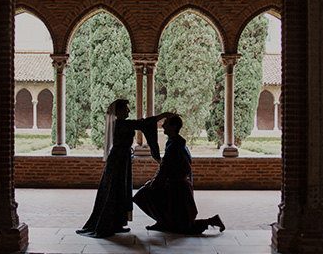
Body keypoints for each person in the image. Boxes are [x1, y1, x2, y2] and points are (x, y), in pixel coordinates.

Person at [77, 99, 170, 238]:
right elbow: (143, 123)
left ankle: (116, 223)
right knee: (115, 189)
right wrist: (164, 115)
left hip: (122, 158)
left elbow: (142, 124)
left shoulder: (121, 124)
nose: (128, 111)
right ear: (118, 111)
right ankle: (108, 224)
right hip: (118, 160)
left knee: (120, 190)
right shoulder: (121, 124)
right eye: (126, 109)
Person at [132, 115, 225, 235]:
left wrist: (154, 183)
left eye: (166, 123)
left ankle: (212, 221)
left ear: (173, 127)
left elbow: (165, 168)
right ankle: (163, 222)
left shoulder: (174, 145)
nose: (163, 125)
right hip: (176, 186)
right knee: (177, 222)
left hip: (177, 188)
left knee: (184, 227)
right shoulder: (176, 142)